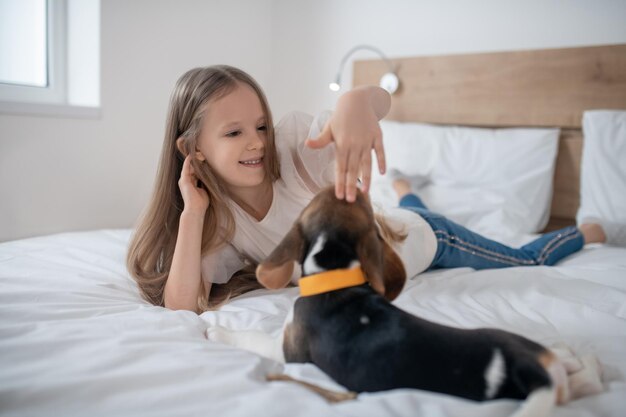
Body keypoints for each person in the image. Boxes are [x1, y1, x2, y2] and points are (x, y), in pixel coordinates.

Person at [126, 65, 609, 314]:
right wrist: (191, 214)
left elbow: (380, 101)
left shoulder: (296, 148)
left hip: (429, 242)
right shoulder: (216, 221)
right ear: (194, 147)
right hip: (390, 227)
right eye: (234, 133)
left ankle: (583, 232)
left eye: (260, 126)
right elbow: (182, 305)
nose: (256, 142)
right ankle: (405, 190)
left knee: (527, 259)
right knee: (396, 211)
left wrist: (358, 100)